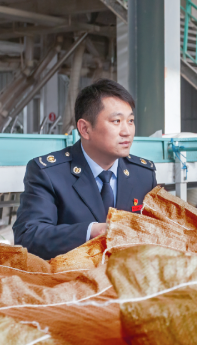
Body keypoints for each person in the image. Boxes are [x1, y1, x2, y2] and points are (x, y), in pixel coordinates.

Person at [13, 79, 157, 259]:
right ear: (85, 129)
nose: (127, 131)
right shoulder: (49, 174)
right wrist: (91, 231)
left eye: (131, 121)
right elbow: (29, 236)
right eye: (116, 121)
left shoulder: (143, 174)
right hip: (71, 274)